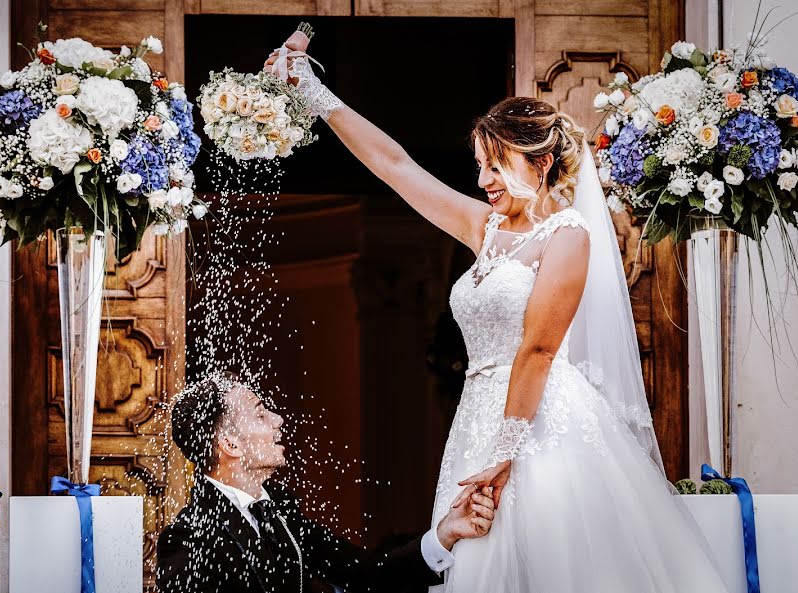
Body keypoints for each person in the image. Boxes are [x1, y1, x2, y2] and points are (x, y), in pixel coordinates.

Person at [264, 38, 732, 592]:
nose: (483, 181)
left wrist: (506, 453)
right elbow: (394, 165)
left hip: (540, 424)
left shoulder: (567, 237)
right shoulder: (484, 230)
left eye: (497, 165)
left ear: (540, 162)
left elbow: (537, 349)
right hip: (476, 416)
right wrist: (313, 91)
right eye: (480, 166)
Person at [157, 371, 496, 593]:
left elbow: (366, 574)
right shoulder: (188, 537)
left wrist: (446, 532)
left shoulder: (279, 507)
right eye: (261, 414)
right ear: (229, 445)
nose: (278, 420)